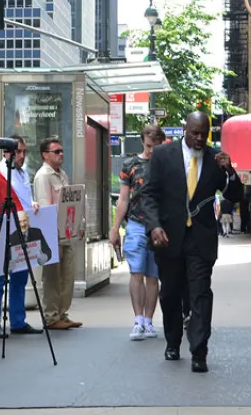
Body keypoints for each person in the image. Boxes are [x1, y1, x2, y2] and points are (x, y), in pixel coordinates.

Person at [139, 112, 244, 373]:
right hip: (169, 238)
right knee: (171, 293)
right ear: (185, 129)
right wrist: (154, 226)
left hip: (201, 240)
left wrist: (230, 171)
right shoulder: (163, 155)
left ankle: (199, 351)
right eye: (194, 133)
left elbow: (235, 195)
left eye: (204, 134)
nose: (199, 138)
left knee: (200, 294)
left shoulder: (214, 159)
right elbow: (148, 195)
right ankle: (173, 341)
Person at [0, 135, 43, 338]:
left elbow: (24, 199)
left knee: (19, 276)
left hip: (21, 229)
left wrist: (32, 204)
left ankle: (18, 320)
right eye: (19, 152)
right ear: (7, 152)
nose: (22, 156)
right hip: (1, 230)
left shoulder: (22, 173)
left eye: (25, 152)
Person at [110, 125, 166, 341]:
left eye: (155, 145)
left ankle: (149, 321)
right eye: (148, 145)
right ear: (143, 141)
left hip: (158, 225)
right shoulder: (131, 164)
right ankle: (138, 320)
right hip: (135, 223)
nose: (151, 150)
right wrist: (115, 228)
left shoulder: (166, 165)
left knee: (153, 276)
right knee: (136, 273)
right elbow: (123, 198)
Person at [34, 137, 81, 330]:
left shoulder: (62, 174)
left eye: (62, 151)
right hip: (52, 233)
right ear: (45, 155)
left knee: (67, 275)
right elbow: (45, 206)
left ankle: (62, 313)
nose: (61, 154)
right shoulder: (43, 176)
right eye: (57, 151)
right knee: (52, 276)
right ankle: (51, 316)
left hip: (66, 231)